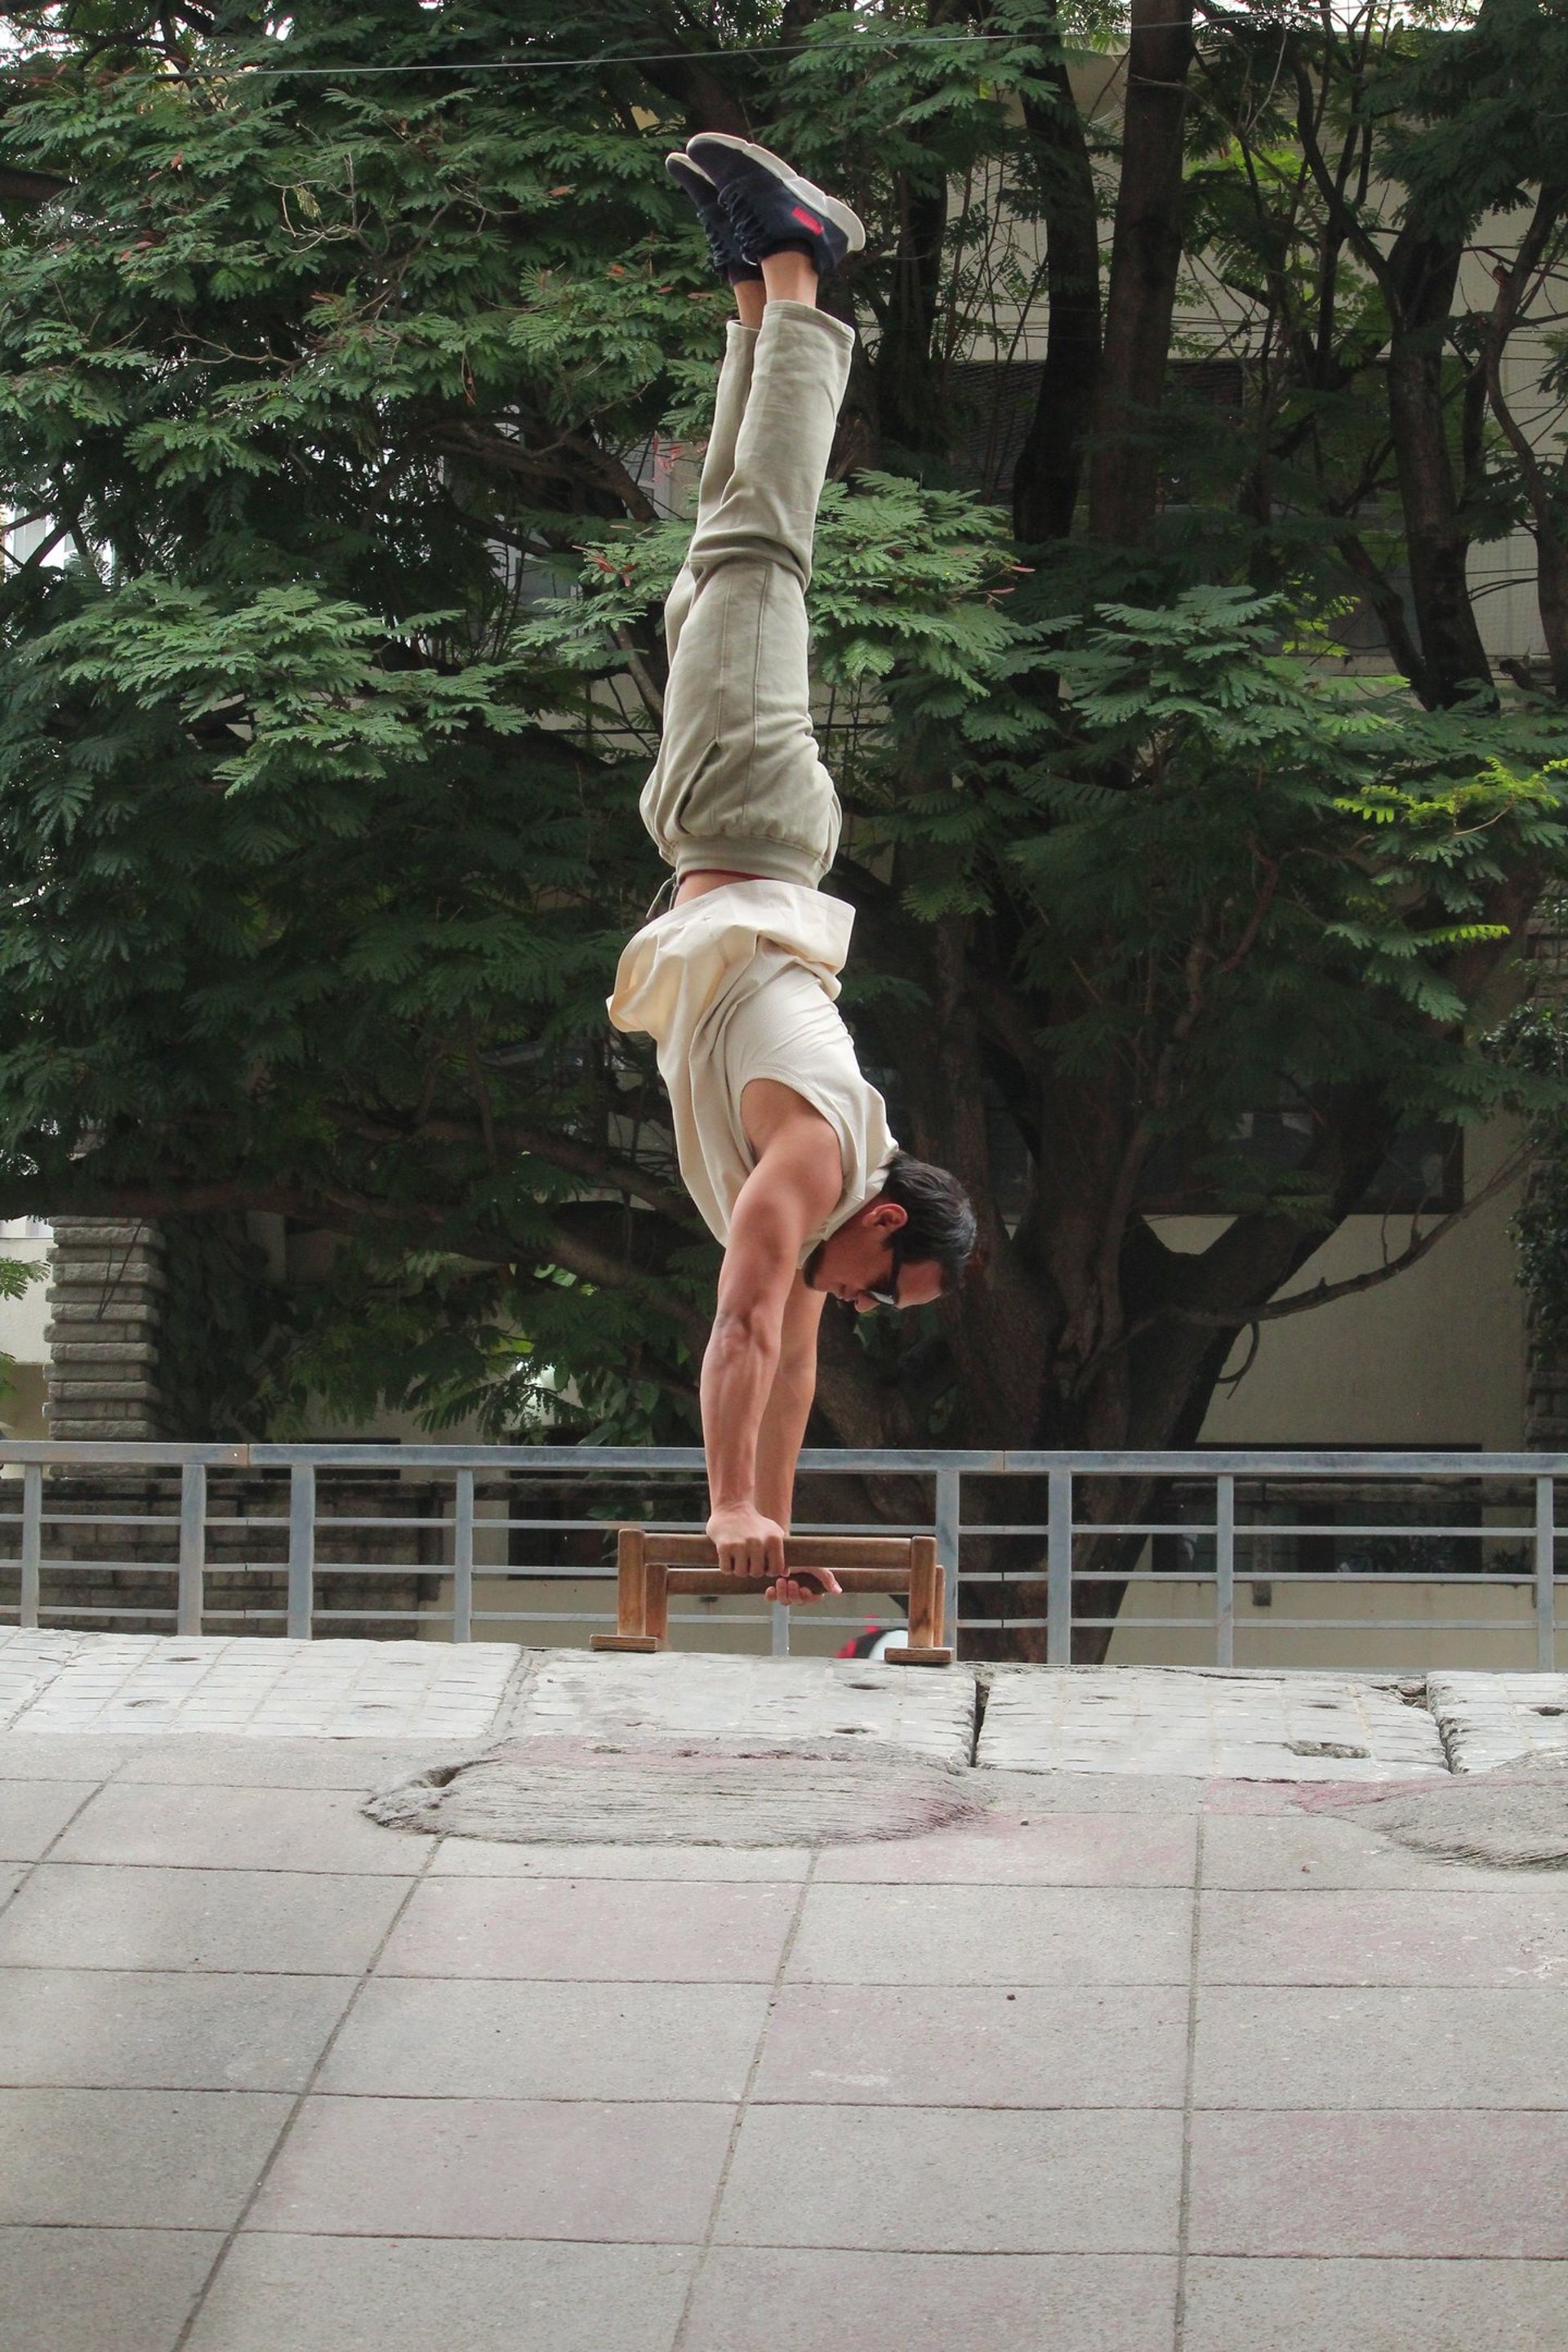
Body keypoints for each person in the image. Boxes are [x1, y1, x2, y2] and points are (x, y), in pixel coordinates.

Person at [608, 135, 978, 1607]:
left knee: (715, 549)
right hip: (751, 821)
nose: (870, 1312)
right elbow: (745, 1331)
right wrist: (722, 1510)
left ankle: (753, 305)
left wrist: (766, 1525)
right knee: (763, 549)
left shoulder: (830, 1210)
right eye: (894, 1290)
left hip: (713, 834)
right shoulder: (820, 1163)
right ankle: (807, 265)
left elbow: (795, 1358)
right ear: (882, 1226)